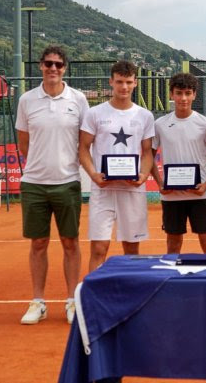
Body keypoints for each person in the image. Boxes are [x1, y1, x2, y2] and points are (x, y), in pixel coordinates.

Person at [15, 46, 89, 325]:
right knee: (38, 243)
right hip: (34, 183)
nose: (53, 69)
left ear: (65, 68)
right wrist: (40, 164)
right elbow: (24, 143)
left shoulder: (78, 100)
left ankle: (72, 301)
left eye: (58, 64)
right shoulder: (27, 100)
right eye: (48, 64)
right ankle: (38, 302)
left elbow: (84, 141)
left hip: (67, 182)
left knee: (70, 242)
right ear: (40, 66)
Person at [79, 60, 155, 272]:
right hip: (103, 190)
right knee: (99, 248)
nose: (124, 87)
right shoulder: (95, 113)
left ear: (135, 83)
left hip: (132, 190)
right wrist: (94, 174)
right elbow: (83, 148)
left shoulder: (144, 116)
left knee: (132, 249)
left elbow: (147, 152)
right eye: (119, 81)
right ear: (111, 82)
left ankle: (133, 297)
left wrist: (143, 175)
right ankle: (94, 299)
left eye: (128, 82)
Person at [151, 73, 206, 254]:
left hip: (200, 194)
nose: (183, 98)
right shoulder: (160, 124)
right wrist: (161, 184)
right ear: (171, 94)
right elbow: (149, 157)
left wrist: (205, 185)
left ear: (194, 95)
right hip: (172, 196)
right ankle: (173, 280)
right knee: (173, 243)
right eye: (178, 93)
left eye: (187, 93)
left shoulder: (204, 123)